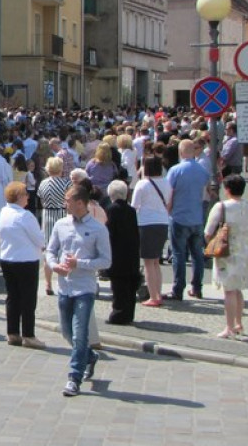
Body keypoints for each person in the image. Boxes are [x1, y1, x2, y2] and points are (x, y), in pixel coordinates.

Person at [45, 185, 112, 397]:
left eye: (67, 201)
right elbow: (50, 250)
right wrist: (55, 266)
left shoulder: (98, 229)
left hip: (84, 288)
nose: (65, 204)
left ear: (80, 203)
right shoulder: (61, 224)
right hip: (64, 286)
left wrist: (79, 263)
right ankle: (89, 357)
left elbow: (105, 261)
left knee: (80, 332)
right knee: (67, 332)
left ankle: (74, 378)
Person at [0, 182, 47, 349]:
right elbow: (39, 239)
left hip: (7, 258)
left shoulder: (4, 212)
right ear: (19, 197)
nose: (28, 196)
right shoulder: (25, 216)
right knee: (28, 299)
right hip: (25, 260)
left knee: (12, 297)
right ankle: (28, 335)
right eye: (25, 194)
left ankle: (12, 332)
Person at [205, 174, 248, 339]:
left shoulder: (222, 207)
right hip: (245, 249)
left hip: (227, 251)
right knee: (238, 289)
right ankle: (238, 322)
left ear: (227, 190)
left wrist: (212, 241)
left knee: (229, 290)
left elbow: (208, 231)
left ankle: (229, 327)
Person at [165, 139, 210, 301]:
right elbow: (206, 191)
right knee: (197, 254)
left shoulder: (175, 171)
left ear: (181, 152)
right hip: (197, 216)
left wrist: (168, 211)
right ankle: (197, 287)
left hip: (179, 216)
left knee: (179, 254)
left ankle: (178, 289)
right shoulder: (202, 170)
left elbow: (169, 194)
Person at [131, 156, 171, 306]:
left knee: (148, 261)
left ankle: (153, 296)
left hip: (146, 223)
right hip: (163, 221)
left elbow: (134, 206)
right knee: (156, 261)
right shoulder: (167, 183)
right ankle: (158, 293)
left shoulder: (142, 184)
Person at [104, 180, 140, 325]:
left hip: (117, 251)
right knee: (130, 285)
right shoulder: (131, 210)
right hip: (131, 250)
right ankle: (129, 313)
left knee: (119, 286)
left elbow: (109, 232)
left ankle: (118, 313)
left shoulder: (111, 210)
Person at [37, 157, 71, 296]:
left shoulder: (43, 184)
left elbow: (40, 198)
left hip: (47, 214)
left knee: (48, 251)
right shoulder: (66, 183)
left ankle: (48, 283)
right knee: (63, 249)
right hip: (61, 213)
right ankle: (63, 281)